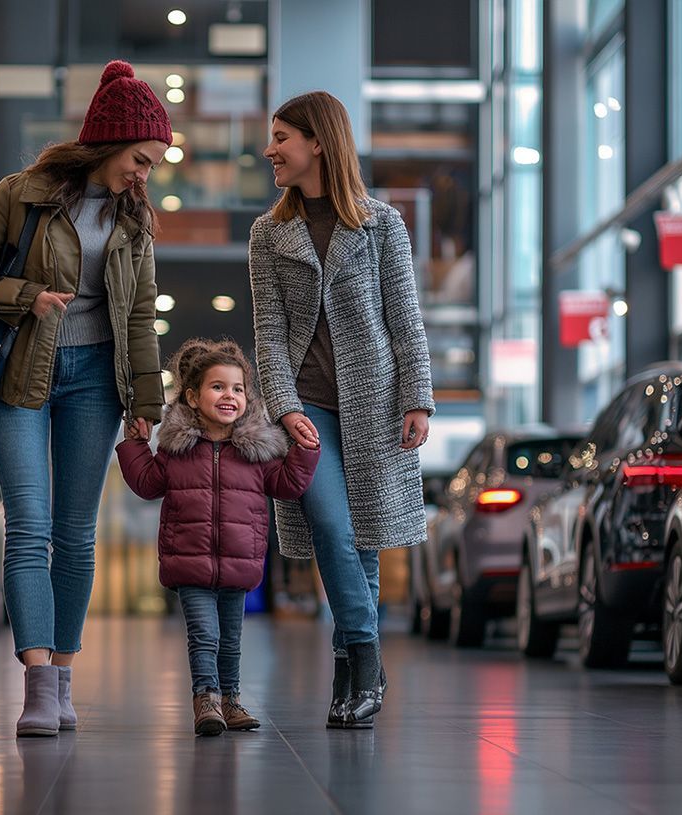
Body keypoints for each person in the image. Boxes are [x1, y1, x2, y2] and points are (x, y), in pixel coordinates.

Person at [0, 60, 171, 737]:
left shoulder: (135, 223)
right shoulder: (25, 194)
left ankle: (64, 678)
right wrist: (27, 297)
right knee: (31, 527)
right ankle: (37, 684)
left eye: (155, 161)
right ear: (108, 144)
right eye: (140, 158)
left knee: (75, 534)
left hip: (96, 381)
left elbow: (136, 318)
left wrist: (146, 402)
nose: (146, 173)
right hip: (18, 372)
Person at [248, 91, 435, 729]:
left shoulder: (382, 225)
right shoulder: (268, 235)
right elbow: (268, 332)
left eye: (281, 138)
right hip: (306, 409)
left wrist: (417, 398)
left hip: (376, 402)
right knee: (332, 526)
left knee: (367, 538)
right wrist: (282, 404)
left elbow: (405, 320)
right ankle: (366, 655)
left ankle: (349, 676)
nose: (269, 150)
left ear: (318, 142)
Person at [116, 338, 319, 736]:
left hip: (239, 562)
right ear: (192, 397)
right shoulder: (177, 449)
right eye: (218, 387)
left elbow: (288, 484)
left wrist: (305, 450)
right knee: (204, 634)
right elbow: (147, 482)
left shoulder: (258, 452)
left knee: (231, 638)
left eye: (238, 388)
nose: (230, 395)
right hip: (188, 561)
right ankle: (205, 698)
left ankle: (230, 699)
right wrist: (134, 444)